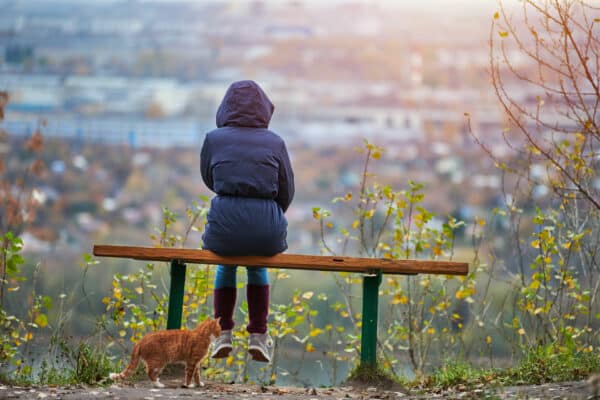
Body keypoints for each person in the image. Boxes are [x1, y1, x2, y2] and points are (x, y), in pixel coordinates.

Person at [200, 80, 294, 363]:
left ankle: (223, 332)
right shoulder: (275, 142)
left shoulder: (213, 139)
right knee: (258, 265)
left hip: (225, 223)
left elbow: (209, 178)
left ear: (225, 107)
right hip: (266, 225)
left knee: (225, 266)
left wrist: (231, 197)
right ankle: (258, 337)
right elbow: (286, 188)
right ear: (264, 108)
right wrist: (269, 215)